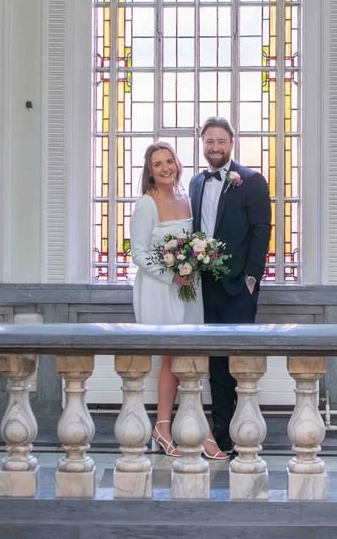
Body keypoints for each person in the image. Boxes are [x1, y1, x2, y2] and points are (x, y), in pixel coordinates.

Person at [130, 141, 227, 460]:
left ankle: (191, 427)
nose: (165, 167)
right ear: (150, 171)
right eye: (157, 164)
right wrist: (172, 274)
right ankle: (167, 426)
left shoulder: (186, 198)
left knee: (190, 358)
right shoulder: (147, 203)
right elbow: (139, 253)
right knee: (172, 356)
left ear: (177, 164)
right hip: (160, 288)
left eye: (168, 161)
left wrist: (193, 263)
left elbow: (193, 242)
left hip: (189, 288)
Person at [189, 117, 271, 453]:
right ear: (203, 144)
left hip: (238, 287)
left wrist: (251, 279)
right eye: (209, 141)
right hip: (201, 287)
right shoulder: (195, 182)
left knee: (239, 363)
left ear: (231, 144)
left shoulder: (251, 181)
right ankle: (221, 433)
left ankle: (244, 430)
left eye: (221, 141)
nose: (215, 147)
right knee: (213, 363)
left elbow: (261, 231)